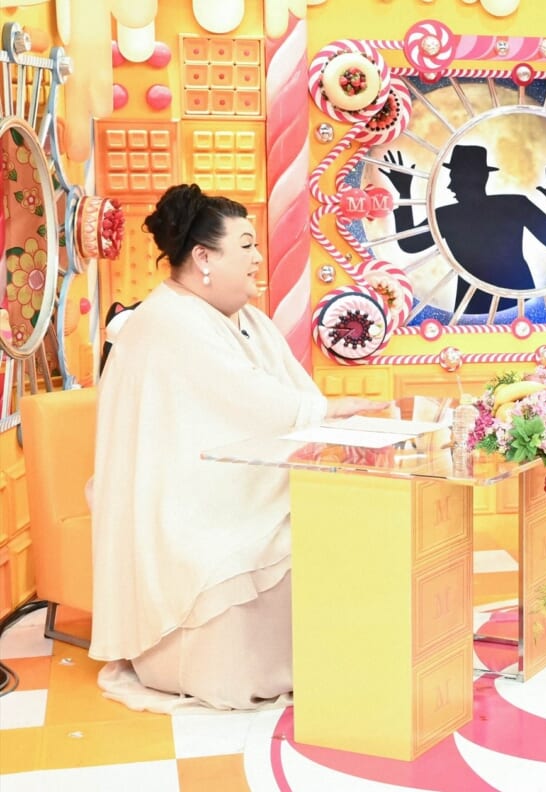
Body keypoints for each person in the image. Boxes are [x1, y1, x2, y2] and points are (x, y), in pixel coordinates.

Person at [89, 184, 388, 710]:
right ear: (203, 257)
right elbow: (250, 400)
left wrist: (326, 414)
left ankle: (360, 648)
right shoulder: (168, 321)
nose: (258, 258)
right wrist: (328, 411)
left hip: (227, 479)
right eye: (246, 245)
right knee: (302, 531)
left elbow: (286, 394)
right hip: (181, 498)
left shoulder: (248, 318)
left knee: (346, 511)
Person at [383, 144, 546, 315]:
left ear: (470, 179)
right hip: (509, 299)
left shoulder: (448, 215)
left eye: (454, 178)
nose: (450, 186)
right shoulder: (515, 203)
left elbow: (410, 243)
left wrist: (404, 193)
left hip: (479, 303)